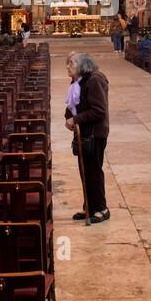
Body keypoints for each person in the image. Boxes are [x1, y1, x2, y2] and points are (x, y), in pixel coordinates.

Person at [64, 53, 110, 224]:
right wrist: (69, 116)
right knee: (85, 172)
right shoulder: (79, 81)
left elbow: (99, 111)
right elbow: (74, 104)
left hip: (95, 133)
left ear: (83, 65)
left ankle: (102, 209)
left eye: (71, 63)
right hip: (84, 133)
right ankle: (90, 207)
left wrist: (75, 119)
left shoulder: (95, 80)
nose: (68, 66)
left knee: (94, 171)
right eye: (67, 63)